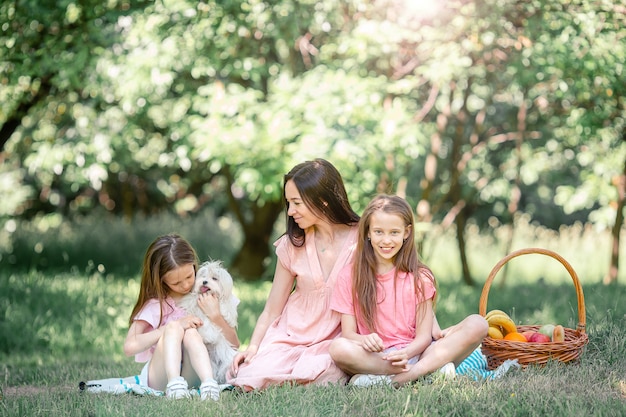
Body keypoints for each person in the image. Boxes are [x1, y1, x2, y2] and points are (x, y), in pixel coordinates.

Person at [228, 158, 360, 391]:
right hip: (290, 338)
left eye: (297, 203)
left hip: (335, 341)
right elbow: (271, 309)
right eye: (288, 203)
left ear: (323, 201)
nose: (290, 211)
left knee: (322, 372)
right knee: (251, 376)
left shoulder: (363, 238)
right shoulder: (292, 245)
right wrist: (253, 348)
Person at [329, 194, 488, 386]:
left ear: (406, 232)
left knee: (479, 324)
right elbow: (348, 334)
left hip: (417, 353)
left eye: (394, 232)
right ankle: (425, 373)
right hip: (376, 359)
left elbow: (423, 338)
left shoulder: (420, 277)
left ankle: (401, 379)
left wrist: (407, 353)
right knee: (338, 348)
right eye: (379, 232)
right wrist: (364, 340)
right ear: (368, 232)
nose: (386, 240)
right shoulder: (350, 275)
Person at [123, 234, 240, 400]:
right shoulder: (157, 305)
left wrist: (216, 316)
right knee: (173, 328)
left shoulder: (207, 294)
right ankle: (174, 383)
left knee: (192, 333)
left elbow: (234, 344)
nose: (186, 285)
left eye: (189, 276)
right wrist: (176, 325)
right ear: (161, 280)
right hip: (161, 378)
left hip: (194, 375)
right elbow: (130, 346)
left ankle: (208, 384)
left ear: (194, 266)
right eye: (177, 283)